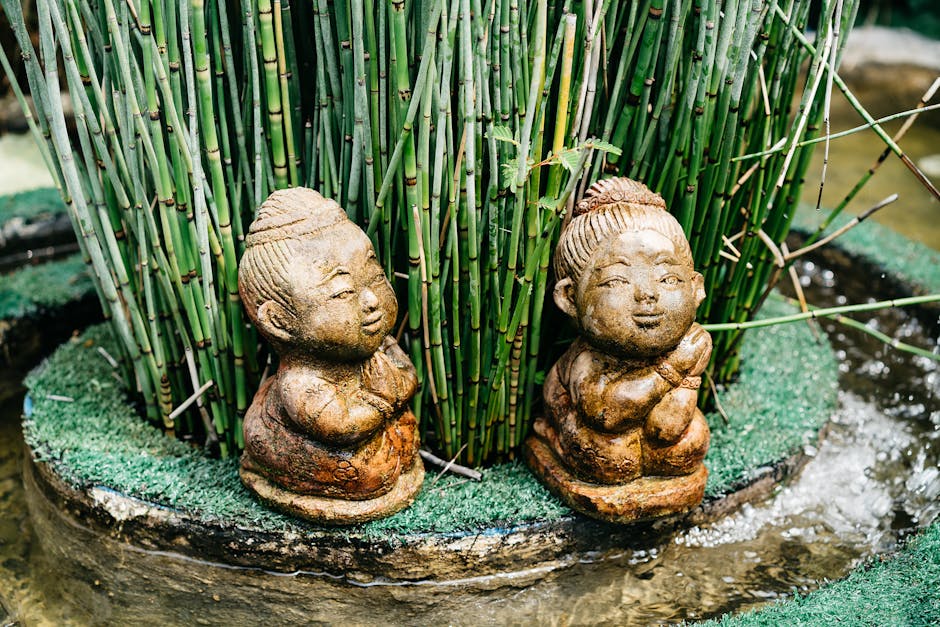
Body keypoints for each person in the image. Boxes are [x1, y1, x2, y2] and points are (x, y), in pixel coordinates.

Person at [525, 177, 711, 522]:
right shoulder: (588, 359)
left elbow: (667, 428)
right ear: (569, 298)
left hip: (651, 424)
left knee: (690, 441)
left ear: (696, 288)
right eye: (617, 281)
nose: (647, 295)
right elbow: (607, 415)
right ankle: (550, 433)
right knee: (608, 456)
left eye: (668, 279)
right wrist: (672, 371)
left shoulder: (689, 345)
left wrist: (689, 380)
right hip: (599, 431)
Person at [237, 187, 423, 523]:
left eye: (376, 277)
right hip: (330, 448)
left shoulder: (376, 346)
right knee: (363, 470)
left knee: (402, 438)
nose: (370, 299)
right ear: (279, 321)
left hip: (374, 425)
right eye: (342, 292)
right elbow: (343, 427)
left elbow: (409, 375)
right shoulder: (301, 381)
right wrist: (384, 399)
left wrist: (397, 385)